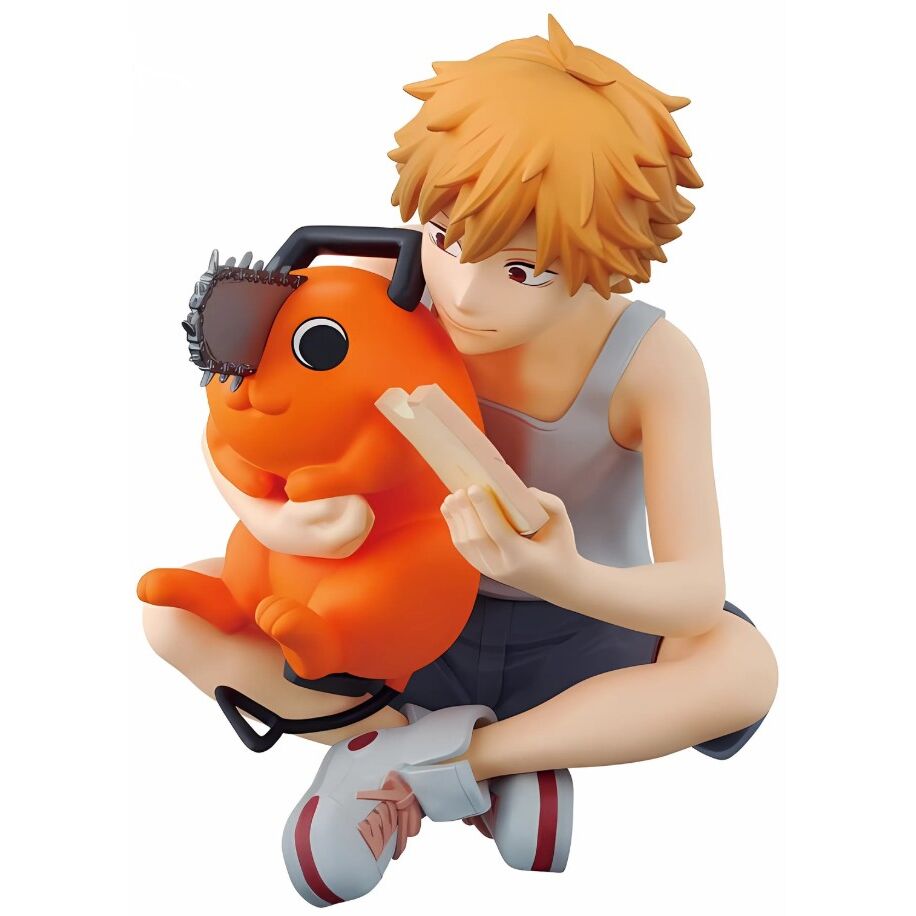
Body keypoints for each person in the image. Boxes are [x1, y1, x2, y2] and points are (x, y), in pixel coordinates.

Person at [142, 14, 778, 905]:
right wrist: (276, 519)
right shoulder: (382, 300)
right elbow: (233, 431)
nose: (468, 294)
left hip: (582, 627)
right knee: (173, 618)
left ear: (604, 256)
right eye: (446, 238)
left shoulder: (649, 364)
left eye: (524, 271)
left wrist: (559, 574)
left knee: (743, 668)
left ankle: (455, 759)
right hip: (397, 624)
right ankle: (444, 744)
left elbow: (696, 594)